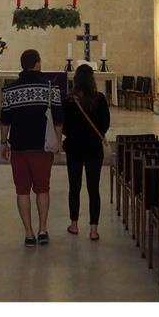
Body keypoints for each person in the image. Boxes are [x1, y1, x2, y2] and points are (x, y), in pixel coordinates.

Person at [0, 48, 63, 247]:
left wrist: (3, 143)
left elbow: (5, 121)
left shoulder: (9, 90)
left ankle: (28, 233)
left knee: (22, 191)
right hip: (42, 147)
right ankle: (42, 229)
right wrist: (58, 143)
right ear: (38, 63)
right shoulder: (51, 88)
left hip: (18, 147)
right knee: (43, 189)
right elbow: (59, 121)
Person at [62, 63, 110, 240]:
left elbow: (64, 126)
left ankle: (74, 225)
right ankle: (93, 229)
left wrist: (73, 133)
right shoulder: (100, 99)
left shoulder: (68, 100)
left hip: (74, 148)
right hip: (93, 148)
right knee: (93, 188)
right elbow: (105, 123)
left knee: (74, 187)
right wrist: (96, 135)